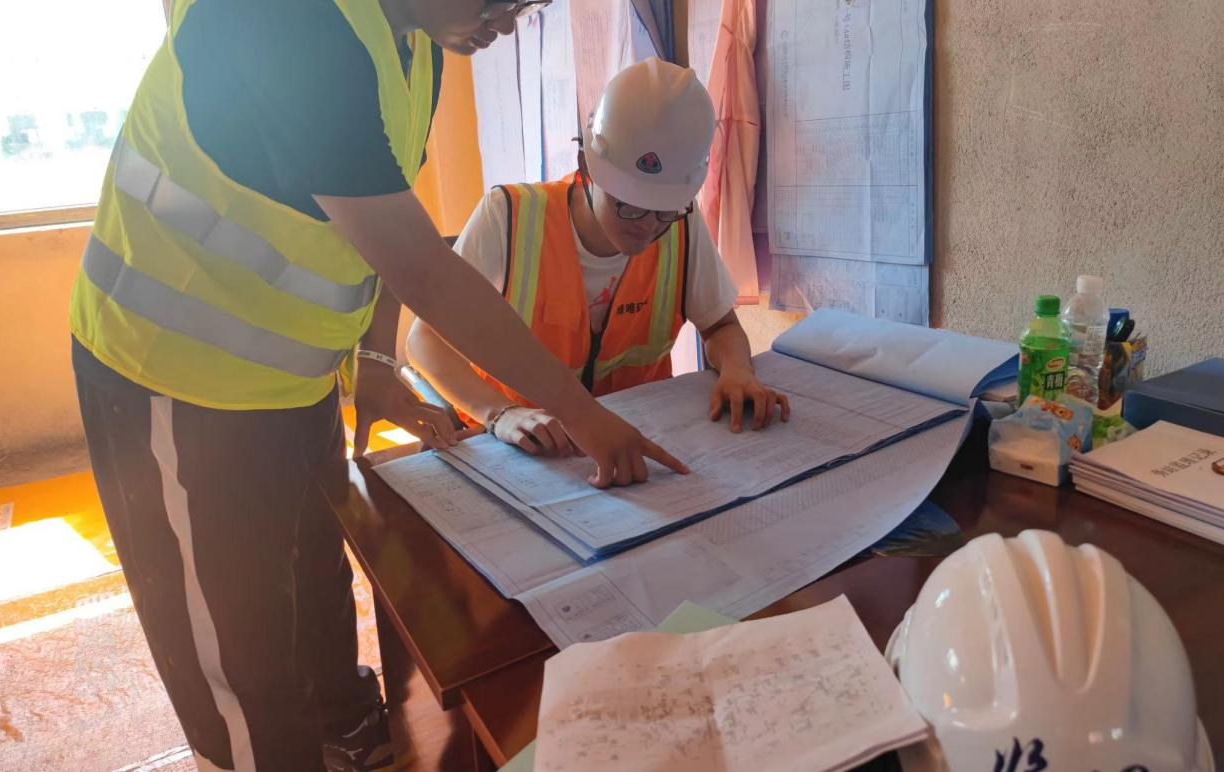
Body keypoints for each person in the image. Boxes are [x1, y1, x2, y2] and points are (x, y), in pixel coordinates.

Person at [69, 1, 688, 770]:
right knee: (240, 650)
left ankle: (349, 731)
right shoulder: (288, 22)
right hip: (177, 376)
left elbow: (374, 221)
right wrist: (582, 414)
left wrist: (369, 361)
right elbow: (421, 266)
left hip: (293, 378)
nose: (507, 20)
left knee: (315, 577)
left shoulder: (417, 40)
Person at [408, 58, 790, 456]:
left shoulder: (683, 225)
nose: (648, 225)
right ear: (587, 168)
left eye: (664, 211)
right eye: (630, 206)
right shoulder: (508, 218)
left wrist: (737, 370)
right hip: (523, 447)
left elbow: (720, 326)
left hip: (633, 435)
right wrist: (500, 414)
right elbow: (424, 340)